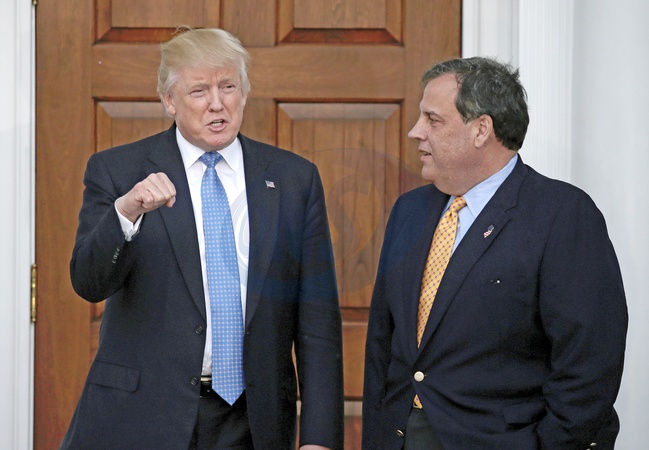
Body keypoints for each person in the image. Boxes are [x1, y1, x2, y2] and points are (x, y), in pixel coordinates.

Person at [61, 28, 344, 450]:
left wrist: (319, 438)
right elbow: (89, 282)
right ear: (169, 101)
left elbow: (317, 322)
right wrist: (126, 212)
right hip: (143, 415)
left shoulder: (293, 179)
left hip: (252, 421)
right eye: (199, 90)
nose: (217, 103)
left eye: (228, 86)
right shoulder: (119, 172)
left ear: (244, 93)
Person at [362, 56, 628, 449]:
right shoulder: (409, 211)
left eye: (433, 120)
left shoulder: (562, 214)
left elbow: (589, 364)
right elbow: (382, 347)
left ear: (481, 129)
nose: (416, 132)